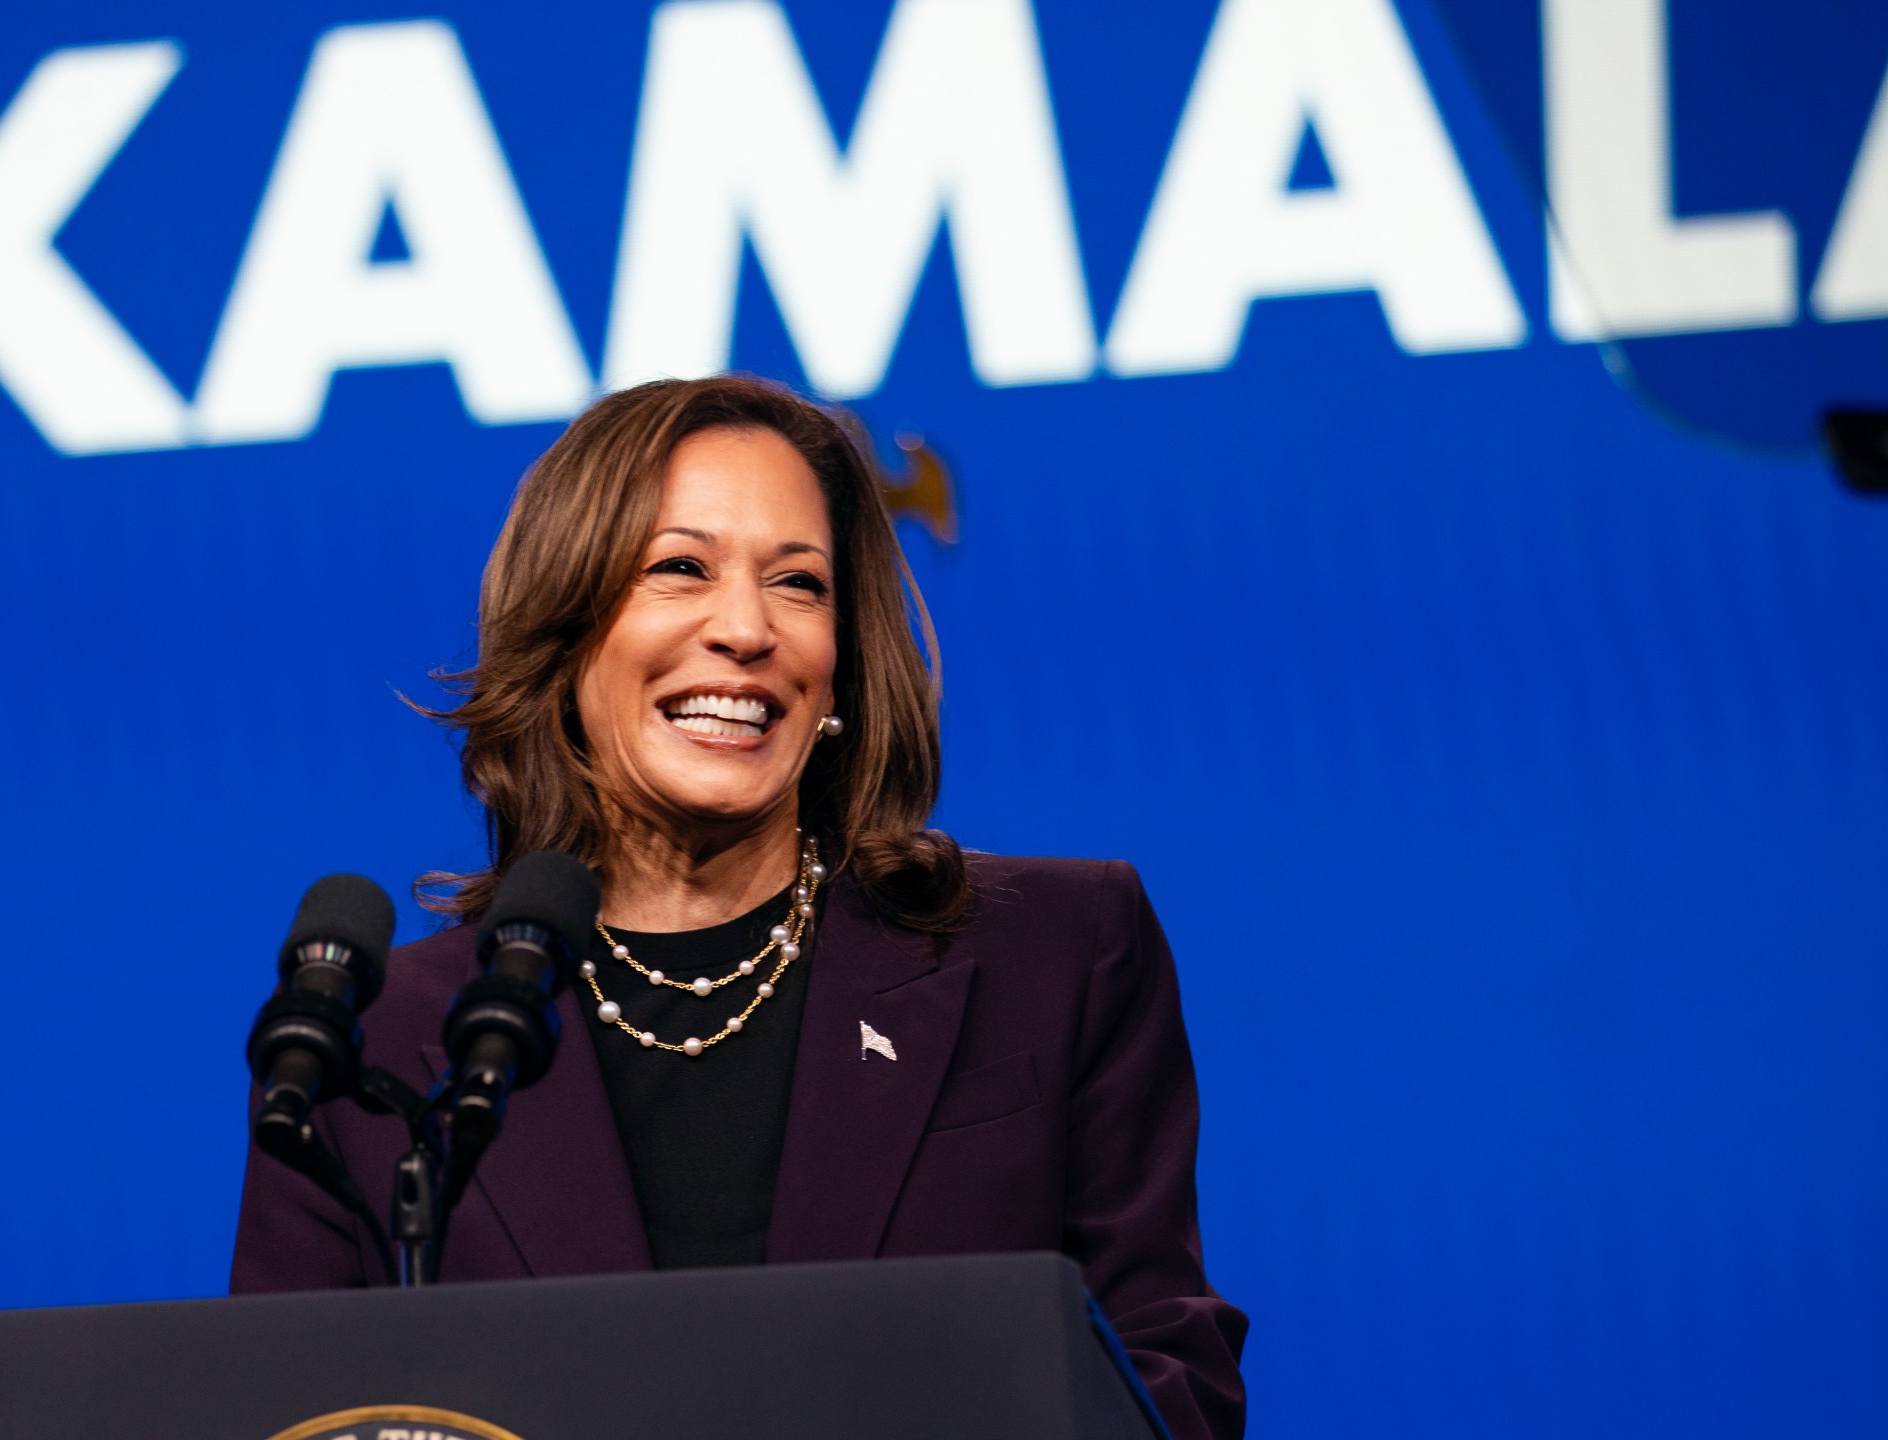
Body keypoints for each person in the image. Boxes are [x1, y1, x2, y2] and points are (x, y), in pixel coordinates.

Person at [230, 375, 1246, 1440]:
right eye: (679, 568)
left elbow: (1167, 1373)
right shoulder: (386, 1044)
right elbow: (291, 1413)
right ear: (567, 633)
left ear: (843, 663)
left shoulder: (1054, 950)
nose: (748, 629)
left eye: (799, 585)